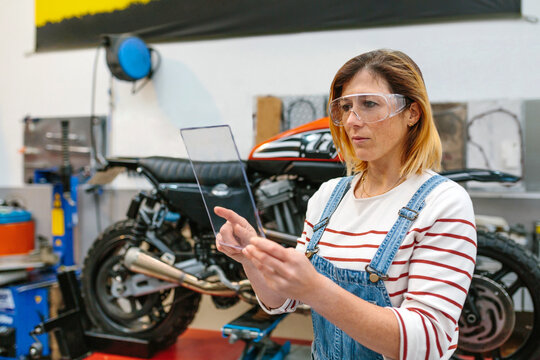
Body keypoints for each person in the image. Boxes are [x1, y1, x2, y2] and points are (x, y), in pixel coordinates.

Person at [214, 49, 476, 360]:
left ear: (412, 113)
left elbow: (428, 342)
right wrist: (250, 255)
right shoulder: (328, 196)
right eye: (345, 107)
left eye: (369, 104)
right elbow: (281, 301)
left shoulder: (443, 203)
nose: (352, 120)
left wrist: (316, 290)